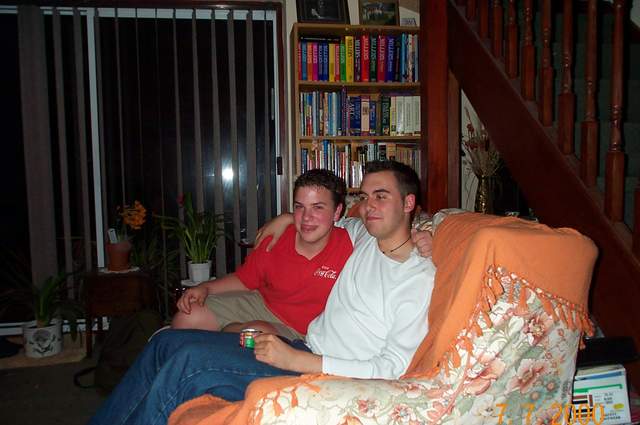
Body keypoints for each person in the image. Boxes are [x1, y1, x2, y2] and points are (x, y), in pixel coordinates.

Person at [89, 160, 436, 425]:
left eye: (381, 196)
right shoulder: (363, 236)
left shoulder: (416, 278)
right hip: (300, 348)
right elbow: (323, 219)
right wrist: (285, 217)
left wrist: (299, 361)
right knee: (166, 343)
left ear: (408, 203)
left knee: (188, 364)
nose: (369, 206)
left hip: (316, 368)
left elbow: (392, 368)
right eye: (365, 197)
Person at [171, 168, 353, 341]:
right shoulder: (276, 237)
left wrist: (285, 217)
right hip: (262, 305)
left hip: (301, 330)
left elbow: (366, 210)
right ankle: (231, 333)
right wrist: (205, 287)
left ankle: (230, 331)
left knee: (256, 334)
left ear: (337, 211)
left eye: (318, 207)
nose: (306, 217)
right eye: (299, 207)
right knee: (187, 316)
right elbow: (245, 279)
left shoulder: (351, 243)